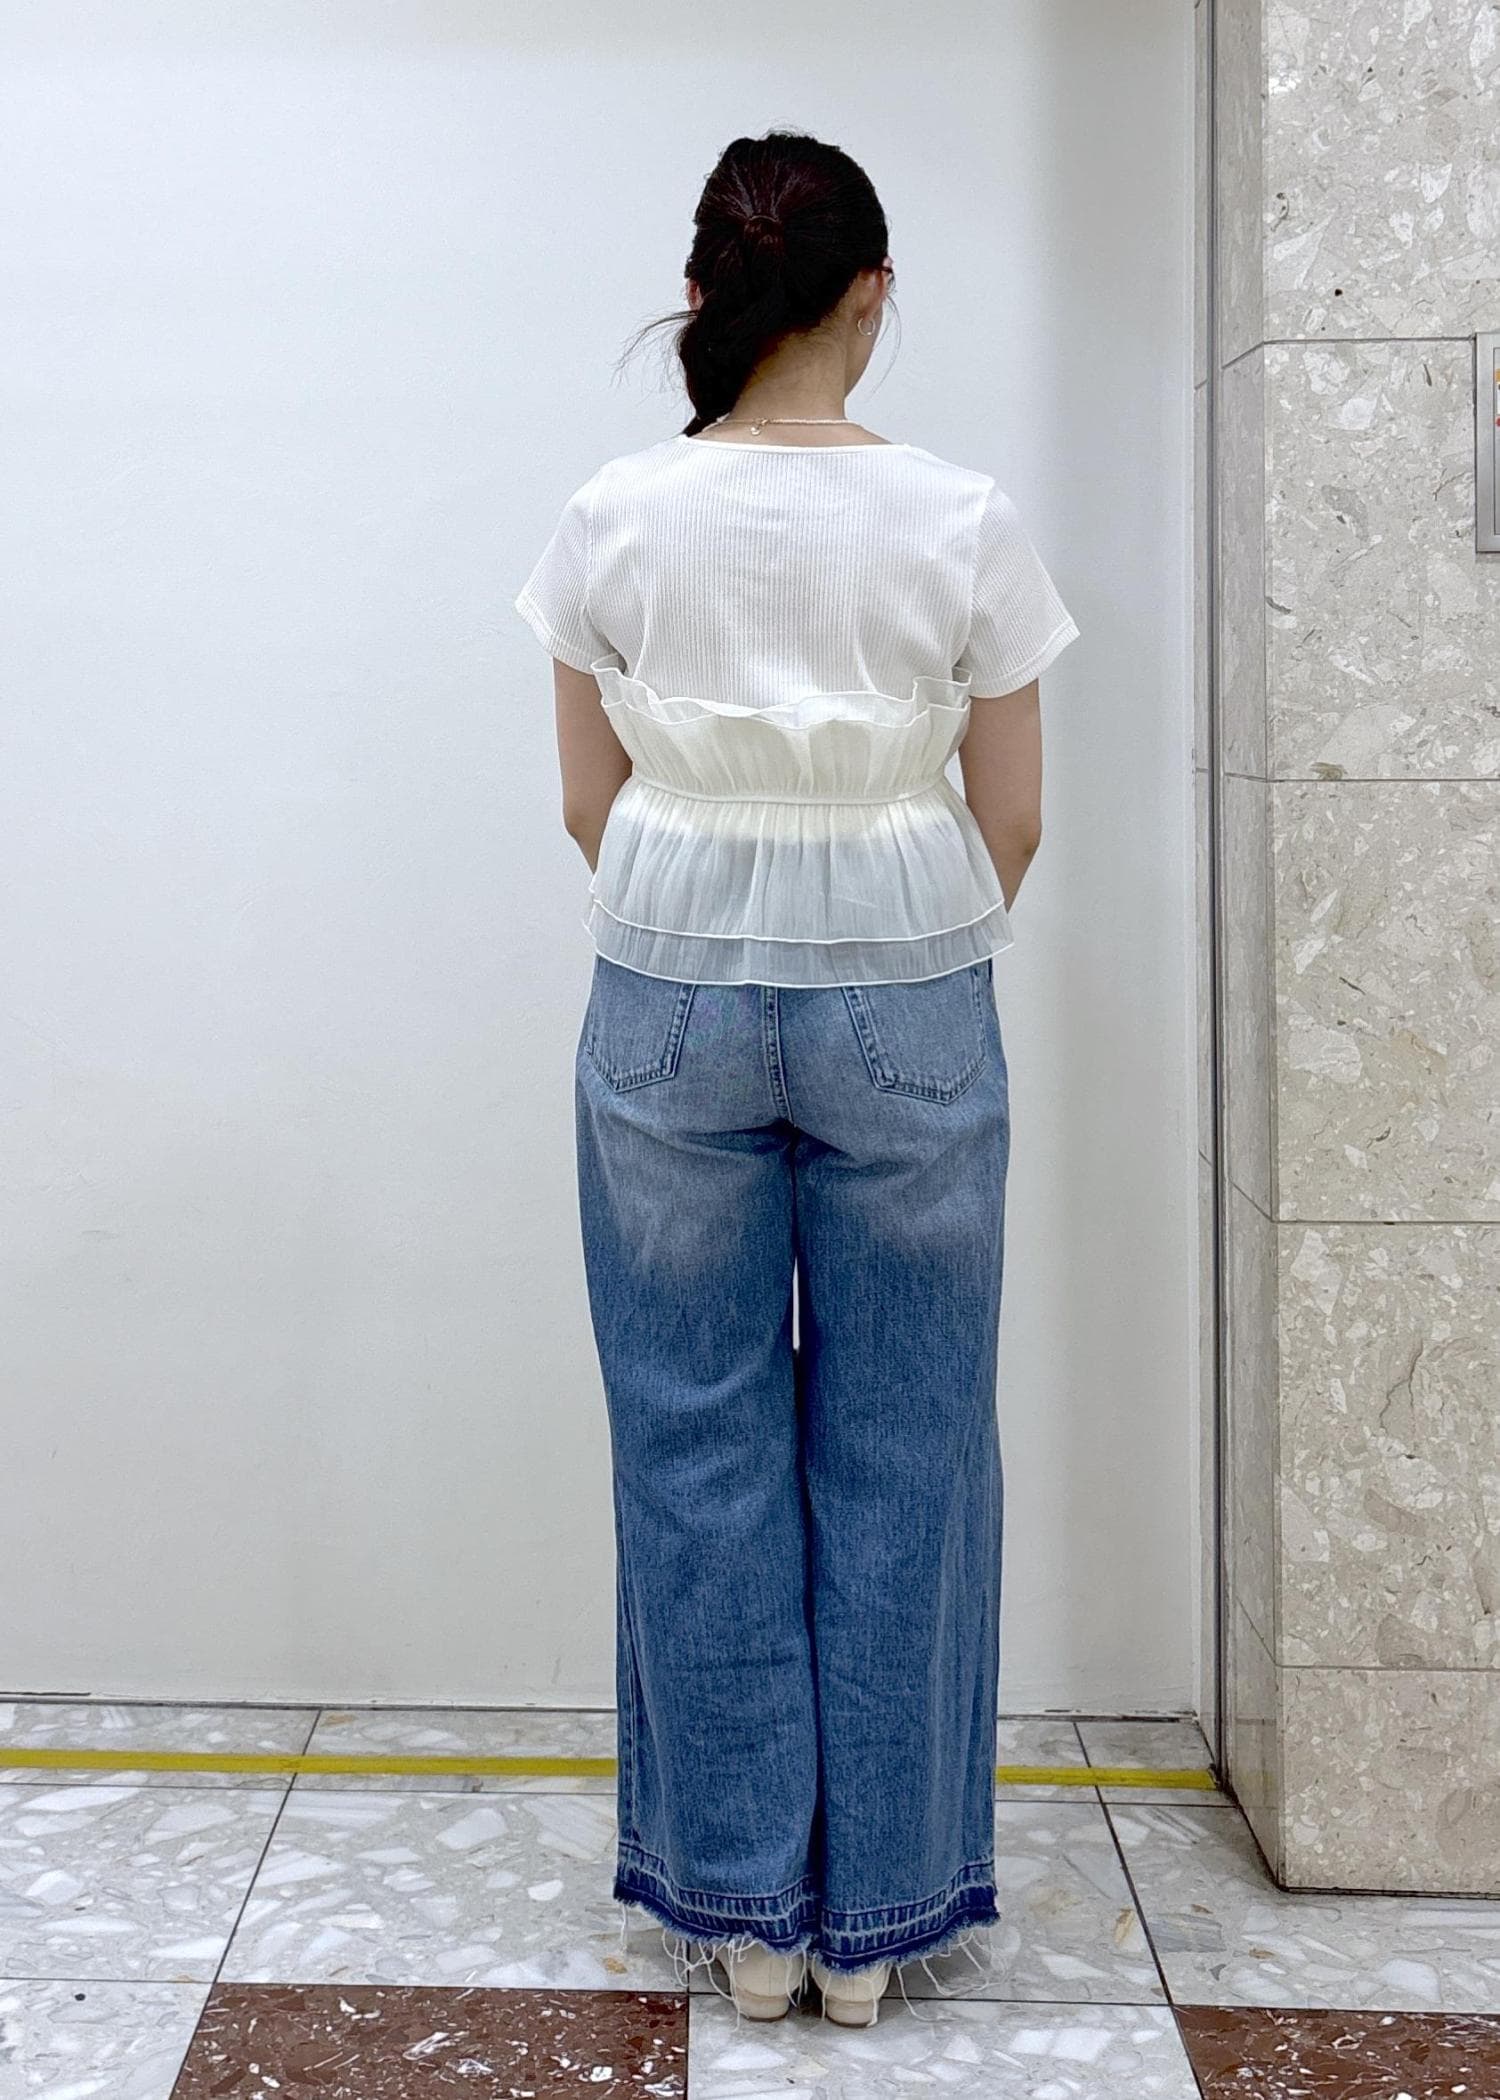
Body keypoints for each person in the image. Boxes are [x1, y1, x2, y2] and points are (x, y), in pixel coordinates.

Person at [513, 126, 1079, 2030]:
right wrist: (889, 929)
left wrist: (714, 893)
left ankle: (747, 1923)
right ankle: (877, 1930)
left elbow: (589, 805)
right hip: (909, 977)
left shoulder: (614, 513)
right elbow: (1012, 819)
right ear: (873, 293)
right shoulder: (962, 516)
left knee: (693, 1439)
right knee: (910, 1443)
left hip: (668, 976)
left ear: (702, 296)